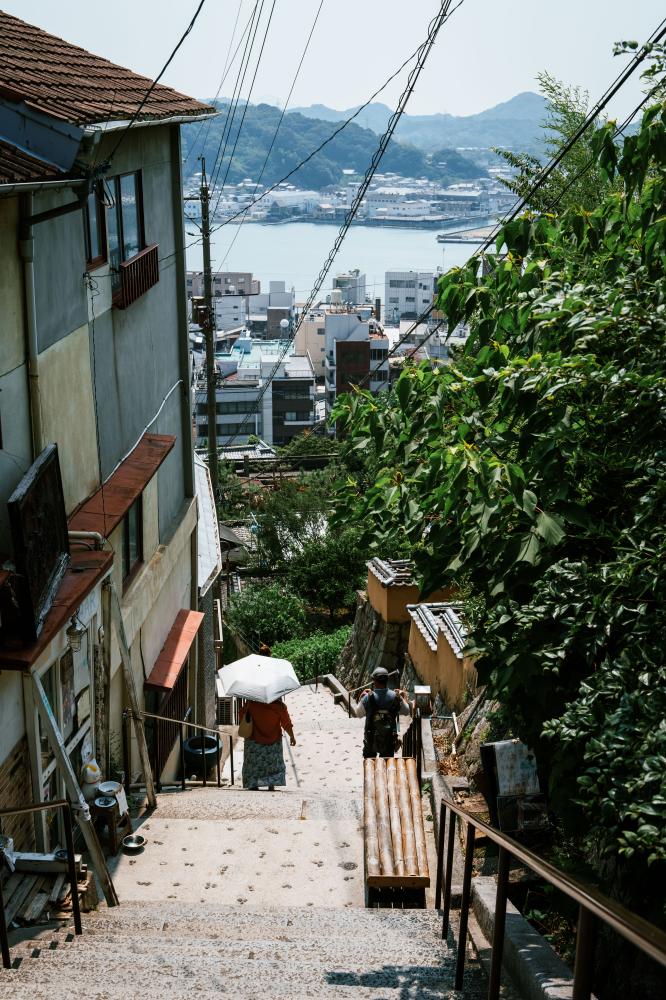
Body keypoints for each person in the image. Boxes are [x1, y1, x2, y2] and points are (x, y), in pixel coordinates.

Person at [355, 667, 411, 758]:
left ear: (374, 681)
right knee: (387, 765)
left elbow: (358, 714)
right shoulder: (396, 697)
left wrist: (361, 697)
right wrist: (403, 697)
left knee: (369, 765)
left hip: (370, 738)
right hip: (389, 739)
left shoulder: (367, 698)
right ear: (387, 680)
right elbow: (406, 711)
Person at [241, 697, 296, 791]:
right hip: (273, 741)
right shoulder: (279, 706)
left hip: (254, 741)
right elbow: (286, 723)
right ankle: (271, 783)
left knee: (254, 764)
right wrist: (292, 736)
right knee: (272, 765)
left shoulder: (251, 704)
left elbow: (242, 716)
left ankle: (253, 784)